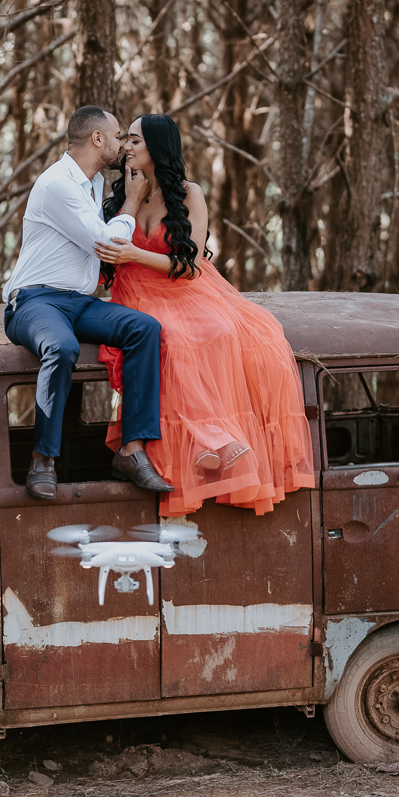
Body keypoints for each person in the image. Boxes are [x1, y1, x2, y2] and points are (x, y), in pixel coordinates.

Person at [93, 114, 314, 517]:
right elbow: (109, 254)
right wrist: (128, 203)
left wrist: (135, 253)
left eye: (135, 141)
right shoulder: (121, 192)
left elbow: (189, 265)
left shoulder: (189, 193)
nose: (126, 147)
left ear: (158, 147)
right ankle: (207, 440)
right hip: (136, 288)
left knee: (224, 330)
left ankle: (218, 439)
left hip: (183, 284)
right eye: (126, 140)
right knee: (171, 337)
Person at [2, 105, 174, 500]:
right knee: (61, 347)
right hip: (33, 302)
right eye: (118, 137)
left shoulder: (92, 183)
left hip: (78, 302)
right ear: (98, 139)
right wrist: (131, 203)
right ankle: (43, 460)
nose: (123, 146)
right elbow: (107, 245)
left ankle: (132, 450)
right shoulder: (58, 184)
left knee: (144, 328)